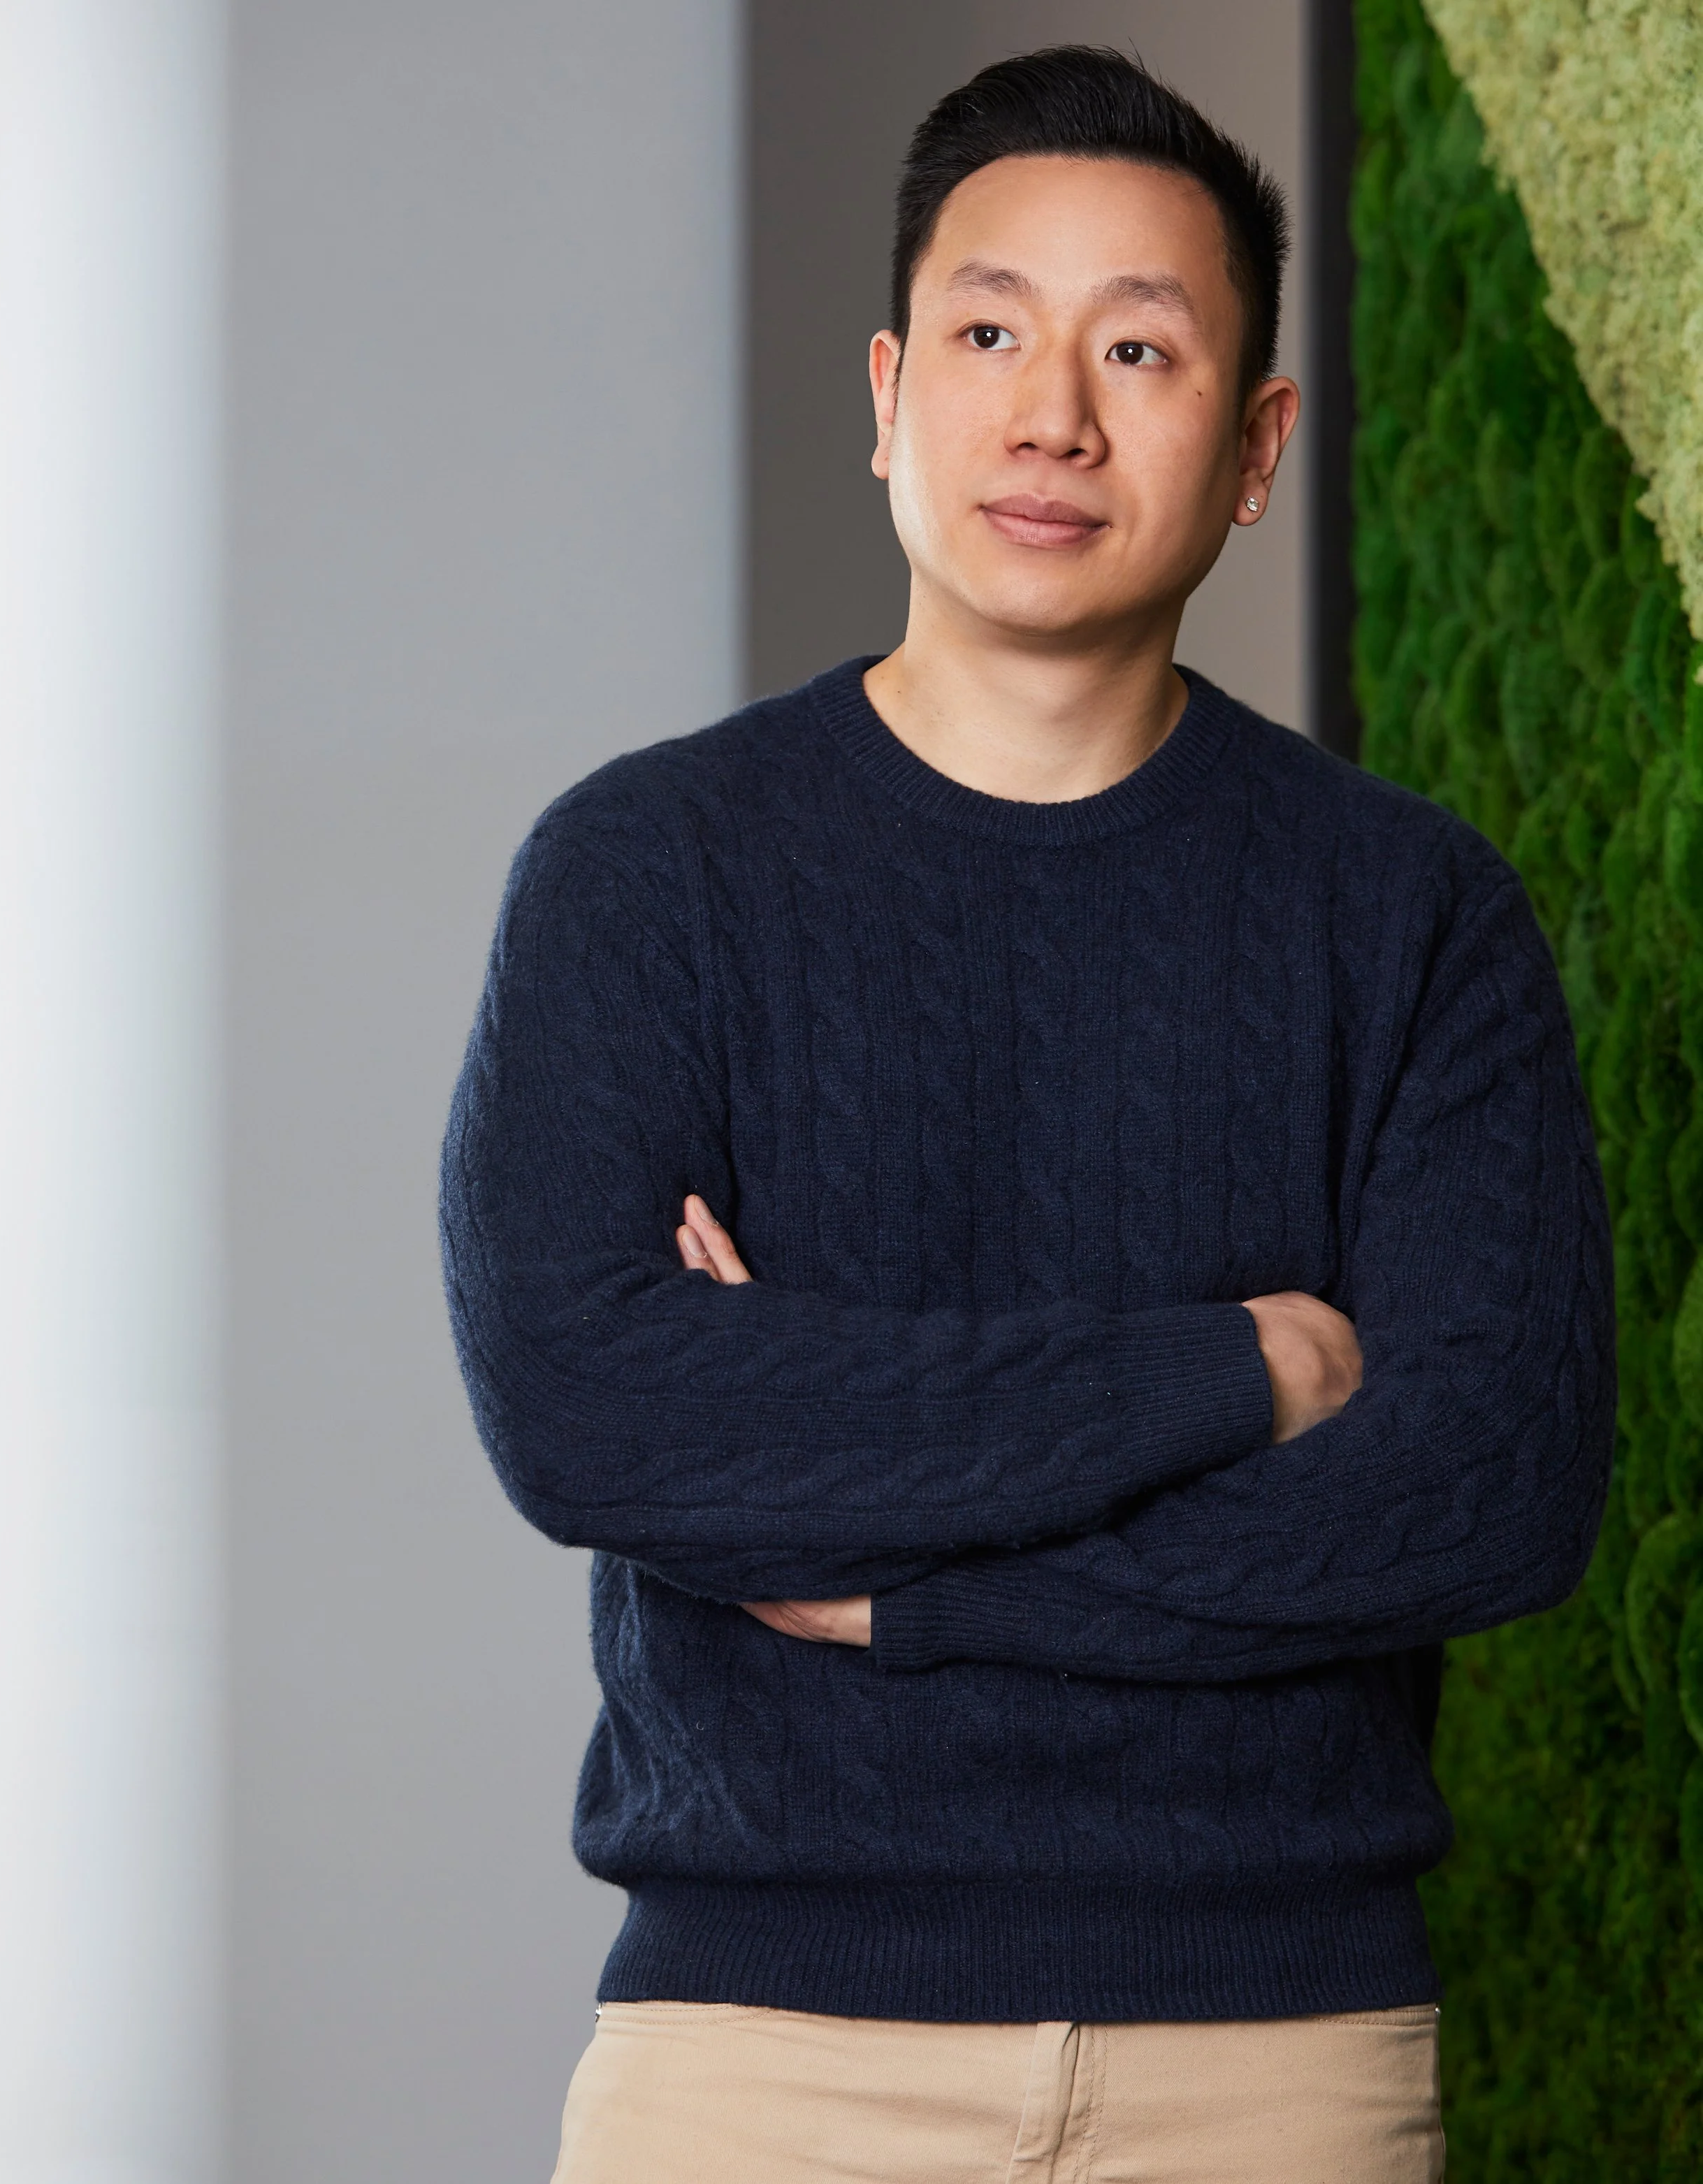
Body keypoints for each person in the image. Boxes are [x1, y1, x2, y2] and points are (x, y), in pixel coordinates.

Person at [441, 44, 1612, 2184]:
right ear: (888, 391)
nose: (1050, 411)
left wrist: (901, 1574)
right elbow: (591, 1405)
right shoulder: (646, 872)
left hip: (1276, 2060)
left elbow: (1485, 1489)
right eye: (988, 330)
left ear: (1254, 446)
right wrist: (1235, 1367)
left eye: (1137, 347)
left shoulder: (1410, 913)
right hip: (762, 2058)